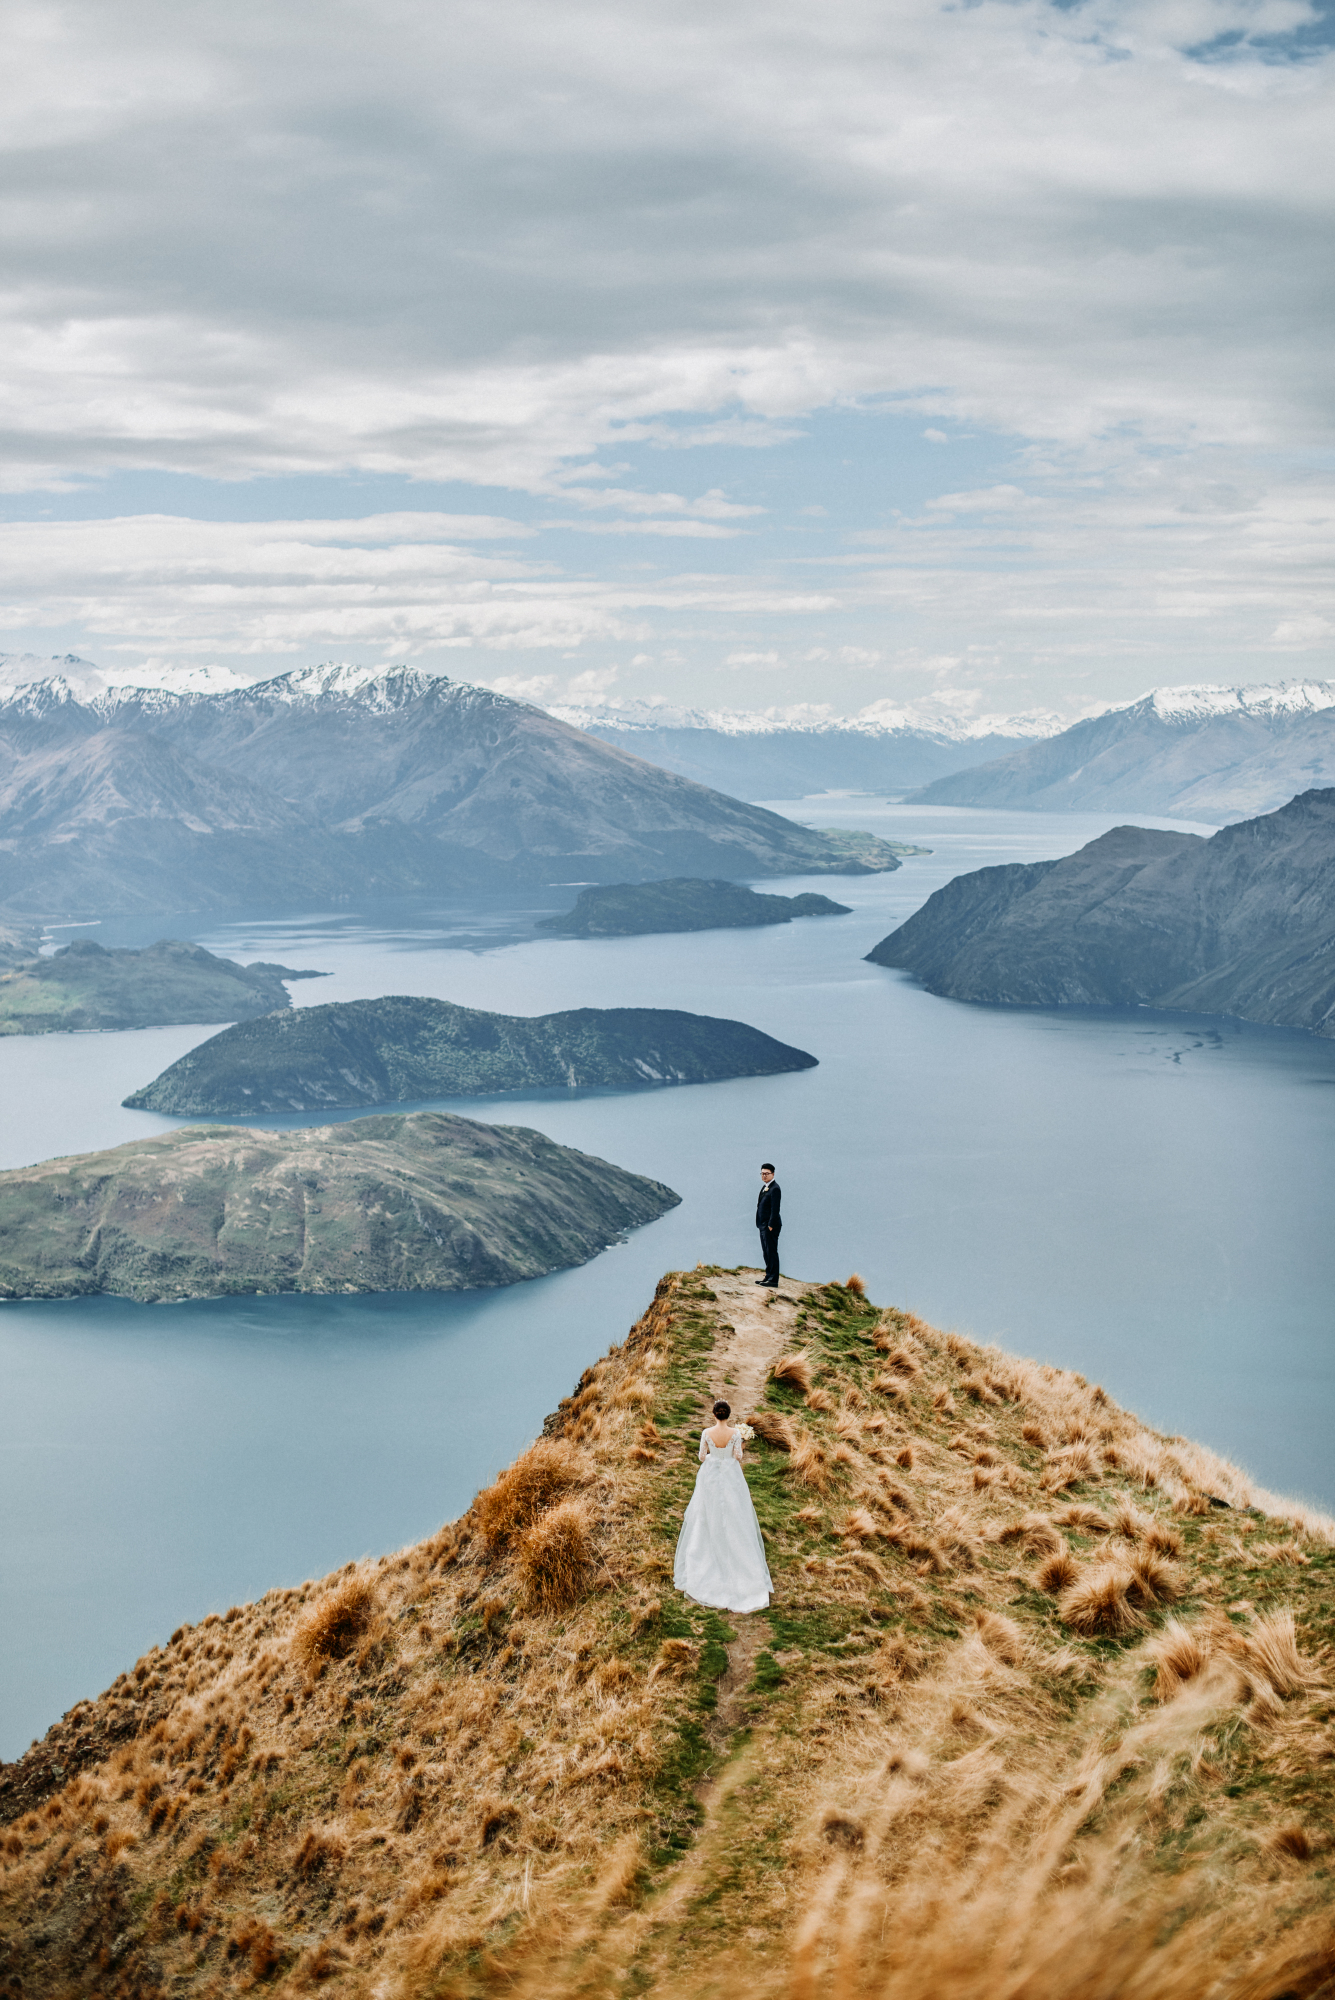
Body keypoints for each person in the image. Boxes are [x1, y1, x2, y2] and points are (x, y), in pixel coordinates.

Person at [673, 1400, 773, 1613]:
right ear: (728, 1415)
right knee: (734, 1512)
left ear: (714, 1414)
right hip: (730, 1475)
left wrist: (713, 1455)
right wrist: (739, 1446)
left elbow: (701, 1457)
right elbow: (738, 1456)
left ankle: (707, 1551)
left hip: (710, 1474)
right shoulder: (735, 1433)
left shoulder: (706, 1432)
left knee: (706, 1513)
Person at [755, 1161, 781, 1286]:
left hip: (770, 1226)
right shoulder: (765, 1187)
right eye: (762, 1173)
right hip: (762, 1224)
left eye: (767, 1173)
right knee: (766, 1251)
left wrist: (771, 1224)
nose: (764, 1176)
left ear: (773, 1174)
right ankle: (768, 1275)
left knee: (772, 1251)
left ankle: (773, 1279)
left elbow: (775, 1209)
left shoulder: (775, 1188)